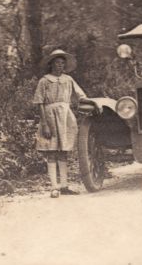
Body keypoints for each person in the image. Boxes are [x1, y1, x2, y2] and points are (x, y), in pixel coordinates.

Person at [33, 49, 88, 198]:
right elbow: (40, 102)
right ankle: (54, 187)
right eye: (57, 63)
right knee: (51, 151)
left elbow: (81, 95)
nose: (60, 66)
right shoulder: (44, 81)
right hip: (50, 117)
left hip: (65, 117)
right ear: (51, 65)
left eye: (62, 64)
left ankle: (64, 186)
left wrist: (89, 103)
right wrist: (44, 124)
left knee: (64, 151)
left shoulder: (68, 80)